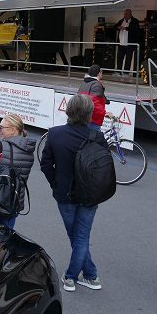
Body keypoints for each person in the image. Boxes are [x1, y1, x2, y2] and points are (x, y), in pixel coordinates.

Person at [40, 94, 108, 293]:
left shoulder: (55, 134)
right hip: (90, 195)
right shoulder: (97, 136)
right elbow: (104, 167)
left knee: (76, 236)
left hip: (65, 195)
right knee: (81, 236)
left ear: (68, 110)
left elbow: (46, 164)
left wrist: (55, 183)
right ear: (89, 113)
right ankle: (90, 275)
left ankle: (72, 277)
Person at [77, 64, 110, 131]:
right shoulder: (96, 84)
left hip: (82, 117)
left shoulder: (84, 83)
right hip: (93, 119)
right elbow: (94, 103)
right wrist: (104, 113)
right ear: (98, 73)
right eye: (101, 72)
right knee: (94, 139)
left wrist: (105, 100)